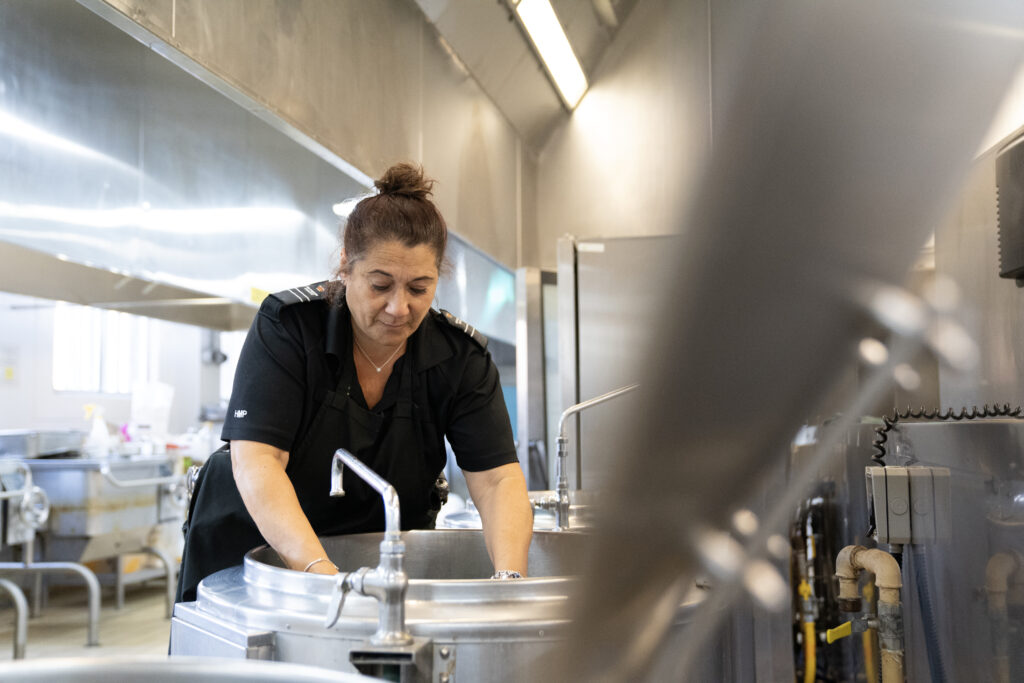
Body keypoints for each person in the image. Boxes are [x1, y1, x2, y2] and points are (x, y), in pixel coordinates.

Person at [175, 163, 533, 603]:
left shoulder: (459, 358)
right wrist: (322, 576)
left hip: (375, 561)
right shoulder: (289, 328)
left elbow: (498, 481)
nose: (399, 308)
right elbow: (260, 461)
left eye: (419, 288)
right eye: (380, 285)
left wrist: (509, 585)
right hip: (251, 554)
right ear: (346, 265)